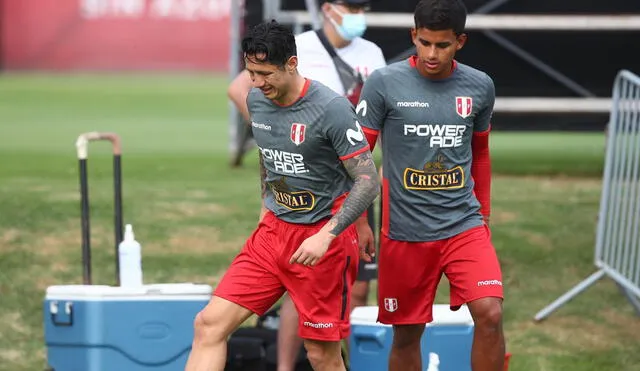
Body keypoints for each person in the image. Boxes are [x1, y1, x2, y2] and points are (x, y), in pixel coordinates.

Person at [185, 20, 379, 371]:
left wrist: (327, 236)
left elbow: (368, 180)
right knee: (208, 325)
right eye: (251, 72)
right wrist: (265, 207)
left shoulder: (331, 109)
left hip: (323, 243)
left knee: (321, 354)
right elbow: (268, 155)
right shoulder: (257, 100)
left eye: (264, 73)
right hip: (272, 235)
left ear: (291, 64)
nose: (256, 83)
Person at [355, 1, 506, 370]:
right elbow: (357, 159)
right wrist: (359, 222)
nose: (432, 54)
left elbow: (481, 154)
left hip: (463, 226)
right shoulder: (383, 83)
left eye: (442, 45)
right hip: (404, 234)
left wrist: (483, 215)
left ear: (461, 42)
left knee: (490, 313)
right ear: (413, 36)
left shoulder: (480, 86)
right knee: (407, 334)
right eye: (424, 43)